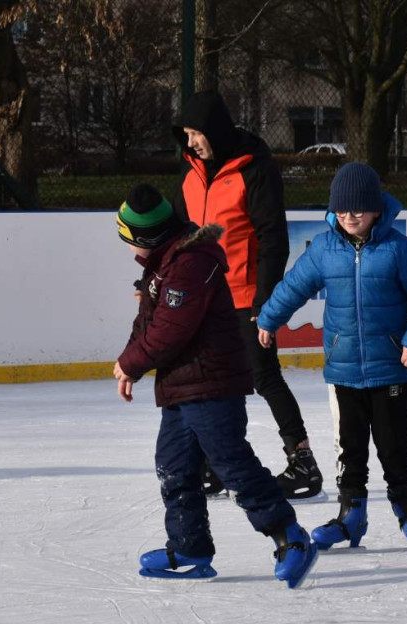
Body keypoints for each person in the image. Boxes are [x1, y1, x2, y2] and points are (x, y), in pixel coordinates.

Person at [112, 184, 318, 588]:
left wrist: (131, 361)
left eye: (131, 242)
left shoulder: (189, 264)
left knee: (232, 465)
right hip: (182, 386)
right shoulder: (163, 265)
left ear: (149, 239)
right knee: (174, 466)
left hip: (211, 384)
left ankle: (290, 537)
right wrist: (130, 364)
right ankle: (190, 546)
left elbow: (171, 329)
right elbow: (147, 324)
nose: (131, 252)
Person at [256, 163, 407, 551]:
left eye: (358, 208)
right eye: (342, 209)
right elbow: (294, 285)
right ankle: (350, 517)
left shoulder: (398, 249)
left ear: (376, 208)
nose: (349, 216)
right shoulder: (325, 248)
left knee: (393, 447)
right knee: (350, 447)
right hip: (343, 370)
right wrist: (271, 318)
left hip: (391, 368)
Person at [171, 90, 324, 501]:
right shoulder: (189, 175)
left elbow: (274, 240)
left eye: (195, 134)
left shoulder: (254, 170)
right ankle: (220, 462)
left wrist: (265, 301)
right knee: (212, 382)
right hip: (205, 299)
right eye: (185, 135)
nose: (190, 143)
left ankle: (302, 461)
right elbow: (178, 240)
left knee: (262, 375)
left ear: (214, 129)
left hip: (244, 296)